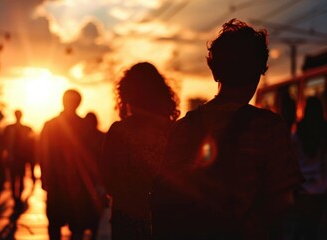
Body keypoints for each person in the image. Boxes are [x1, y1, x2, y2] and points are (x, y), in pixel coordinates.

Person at [152, 19, 303, 240]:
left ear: (215, 72)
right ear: (257, 74)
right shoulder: (269, 127)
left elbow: (163, 195)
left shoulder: (183, 128)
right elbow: (284, 202)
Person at [101, 62, 180, 240]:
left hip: (126, 216)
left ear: (126, 93)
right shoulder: (173, 130)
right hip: (164, 217)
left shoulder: (118, 131)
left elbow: (107, 176)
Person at [39, 89, 103, 240]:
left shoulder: (51, 125)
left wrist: (44, 176)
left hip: (67, 181)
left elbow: (43, 153)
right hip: (69, 182)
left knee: (62, 223)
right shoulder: (84, 126)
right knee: (71, 224)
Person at [290, 96, 327, 239]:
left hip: (302, 188)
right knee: (314, 228)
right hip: (321, 187)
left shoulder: (297, 134)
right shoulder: (324, 132)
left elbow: (293, 161)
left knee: (302, 226)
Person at [4, 110, 35, 210]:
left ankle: (18, 197)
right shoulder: (9, 128)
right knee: (13, 179)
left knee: (20, 178)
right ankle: (15, 197)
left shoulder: (26, 129)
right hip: (13, 157)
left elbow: (31, 145)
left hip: (21, 157)